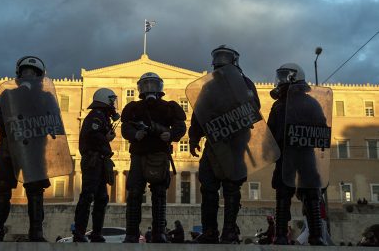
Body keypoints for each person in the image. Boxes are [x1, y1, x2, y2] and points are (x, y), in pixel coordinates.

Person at [0, 56, 65, 242]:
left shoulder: (46, 98)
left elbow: (55, 123)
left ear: (39, 77)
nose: (29, 76)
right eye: (25, 73)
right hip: (9, 150)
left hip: (35, 150)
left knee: (35, 190)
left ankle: (36, 232)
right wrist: (10, 118)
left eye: (33, 74)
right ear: (19, 76)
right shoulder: (8, 96)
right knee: (3, 188)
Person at [188, 45, 261, 244]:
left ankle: (229, 230)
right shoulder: (210, 86)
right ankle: (210, 231)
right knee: (209, 188)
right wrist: (194, 137)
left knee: (230, 187)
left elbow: (254, 109)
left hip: (236, 142)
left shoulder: (245, 84)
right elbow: (199, 112)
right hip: (215, 142)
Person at [268, 63, 330, 246]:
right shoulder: (308, 103)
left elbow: (270, 133)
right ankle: (311, 235)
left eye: (283, 77)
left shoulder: (281, 105)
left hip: (296, 152)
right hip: (297, 153)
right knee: (296, 192)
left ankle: (294, 235)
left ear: (294, 78)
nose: (279, 81)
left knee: (302, 192)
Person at [121, 72, 187, 243]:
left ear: (159, 87)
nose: (150, 87)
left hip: (159, 155)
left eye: (153, 84)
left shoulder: (169, 107)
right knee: (134, 193)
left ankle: (159, 233)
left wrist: (171, 134)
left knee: (159, 194)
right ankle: (131, 233)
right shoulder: (133, 108)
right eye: (146, 84)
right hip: (138, 155)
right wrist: (136, 134)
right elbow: (125, 128)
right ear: (141, 88)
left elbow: (181, 127)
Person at [73, 88, 119, 242]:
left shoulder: (102, 117)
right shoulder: (96, 116)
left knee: (101, 198)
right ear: (105, 101)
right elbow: (93, 136)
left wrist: (106, 138)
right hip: (93, 161)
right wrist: (106, 138)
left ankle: (96, 233)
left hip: (99, 160)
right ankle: (79, 232)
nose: (113, 104)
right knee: (88, 195)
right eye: (112, 101)